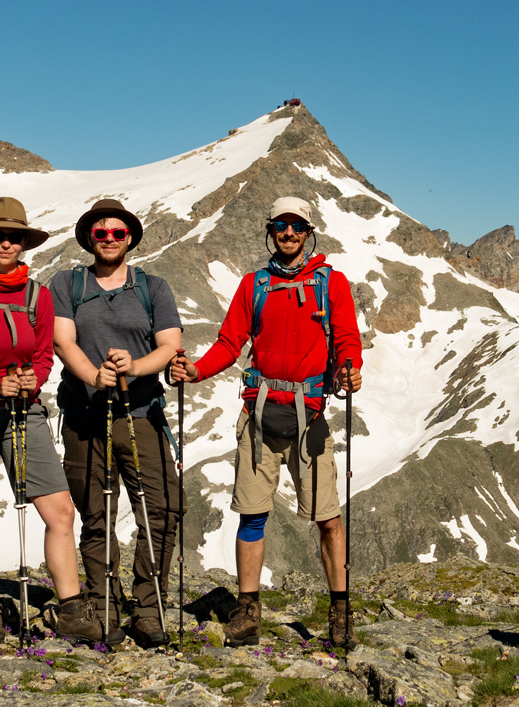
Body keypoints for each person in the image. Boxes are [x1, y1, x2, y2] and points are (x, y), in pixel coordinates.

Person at [170, 196, 363, 648]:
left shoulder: (331, 284)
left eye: (297, 226)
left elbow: (348, 338)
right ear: (271, 230)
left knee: (329, 519)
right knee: (252, 515)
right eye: (281, 225)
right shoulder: (252, 285)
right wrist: (196, 370)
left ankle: (340, 613)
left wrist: (349, 367)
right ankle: (248, 611)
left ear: (308, 232)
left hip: (310, 416)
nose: (289, 233)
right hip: (259, 417)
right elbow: (229, 342)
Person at [0, 197, 102, 645]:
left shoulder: (38, 296)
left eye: (15, 237)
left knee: (60, 511)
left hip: (22, 407)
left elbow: (45, 356)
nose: (6, 243)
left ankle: (69, 607)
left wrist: (32, 381)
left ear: (25, 243)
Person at [51, 199, 184, 647]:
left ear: (130, 237)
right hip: (85, 414)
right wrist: (94, 375)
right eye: (101, 232)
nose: (109, 239)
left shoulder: (154, 287)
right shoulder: (67, 284)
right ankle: (103, 604)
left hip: (140, 412)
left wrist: (135, 366)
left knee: (163, 509)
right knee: (95, 515)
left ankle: (148, 607)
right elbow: (62, 340)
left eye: (118, 233)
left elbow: (170, 345)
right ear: (90, 237)